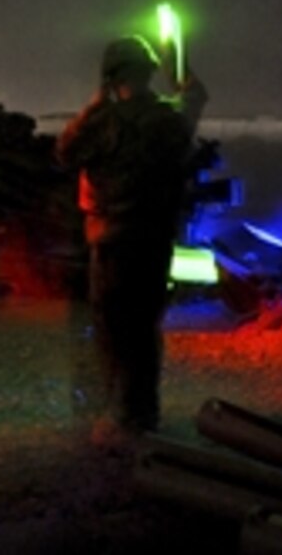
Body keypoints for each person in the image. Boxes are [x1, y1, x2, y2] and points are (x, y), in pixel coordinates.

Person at [56, 35, 207, 446]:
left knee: (114, 328)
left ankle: (121, 416)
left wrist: (97, 100)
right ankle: (143, 414)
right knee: (144, 327)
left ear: (110, 75)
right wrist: (181, 69)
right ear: (147, 72)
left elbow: (65, 151)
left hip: (111, 238)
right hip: (153, 236)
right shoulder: (166, 119)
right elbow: (195, 100)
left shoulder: (101, 122)